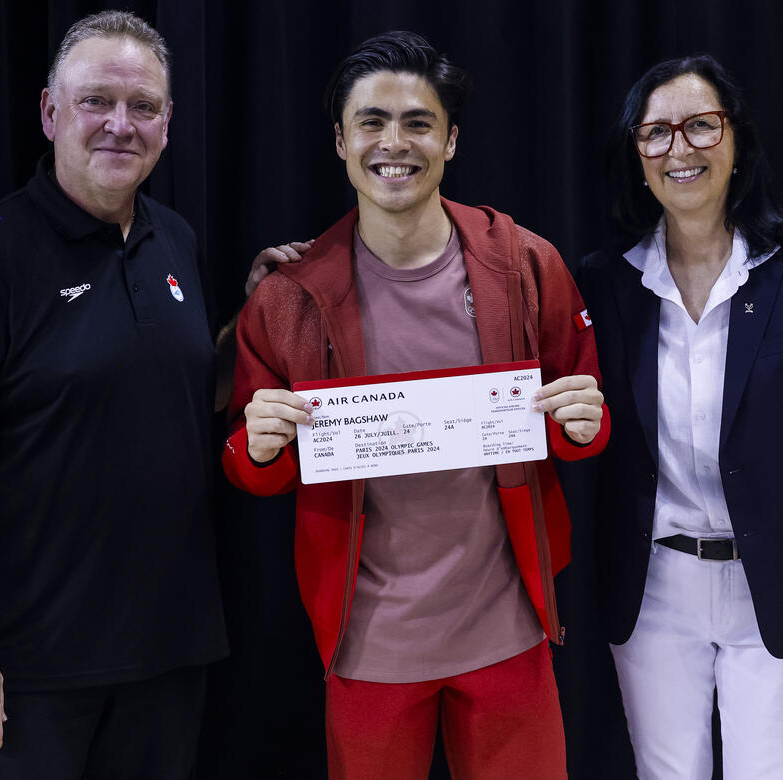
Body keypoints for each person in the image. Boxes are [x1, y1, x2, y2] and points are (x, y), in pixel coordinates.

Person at [224, 31, 608, 780]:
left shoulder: (526, 263)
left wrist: (584, 429)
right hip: (369, 645)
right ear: (339, 141)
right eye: (370, 121)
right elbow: (252, 468)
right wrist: (260, 447)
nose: (393, 143)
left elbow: (580, 418)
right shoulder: (288, 297)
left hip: (509, 632)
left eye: (417, 122)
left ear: (451, 140)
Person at [0, 11, 247, 777]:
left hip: (167, 659)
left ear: (167, 123)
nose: (120, 125)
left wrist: (256, 321)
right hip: (29, 677)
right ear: (51, 112)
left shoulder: (177, 240)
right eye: (96, 101)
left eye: (143, 107)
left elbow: (186, 394)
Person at [575, 54, 783, 778]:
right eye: (656, 133)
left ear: (736, 141)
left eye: (701, 127)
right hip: (653, 589)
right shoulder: (604, 280)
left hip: (774, 586)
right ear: (636, 153)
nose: (678, 149)